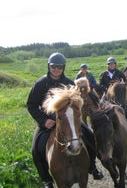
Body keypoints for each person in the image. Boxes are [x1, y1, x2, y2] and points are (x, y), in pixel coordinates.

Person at [26, 52, 103, 188]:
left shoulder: (68, 83)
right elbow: (31, 105)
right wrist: (43, 121)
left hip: (69, 119)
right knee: (35, 148)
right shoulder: (40, 83)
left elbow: (77, 102)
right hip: (48, 122)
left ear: (63, 68)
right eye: (53, 66)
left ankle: (92, 167)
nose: (56, 70)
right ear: (49, 66)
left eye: (59, 67)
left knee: (90, 136)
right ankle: (47, 179)